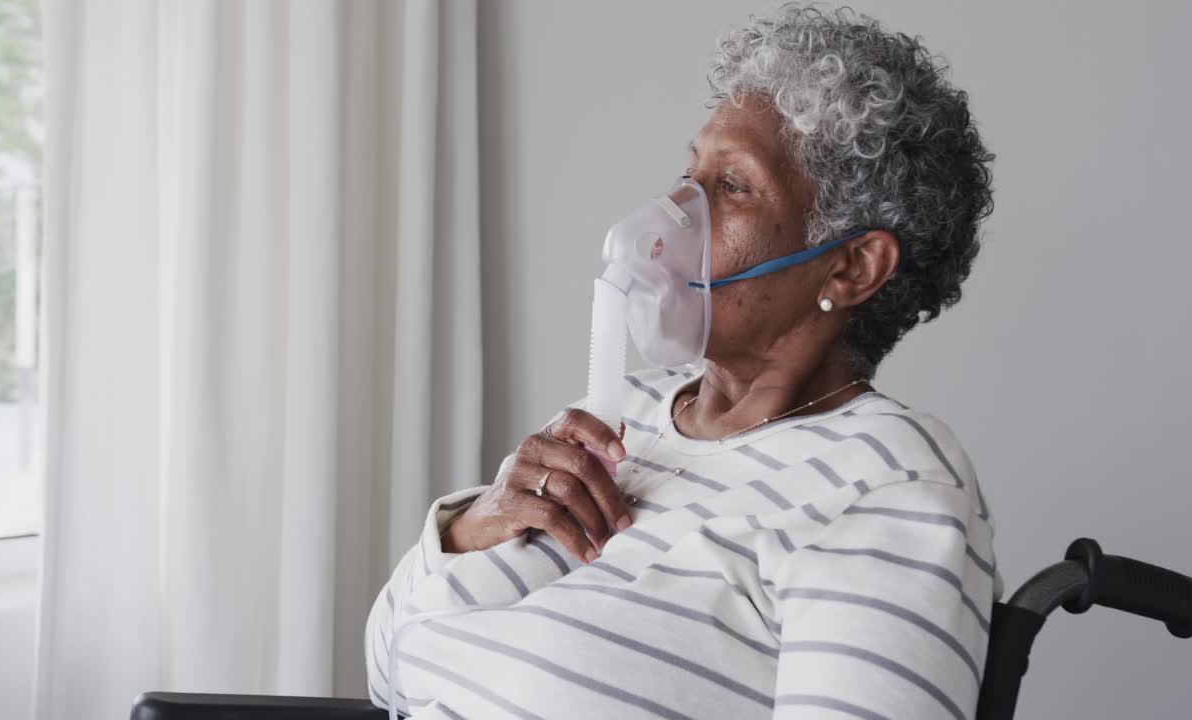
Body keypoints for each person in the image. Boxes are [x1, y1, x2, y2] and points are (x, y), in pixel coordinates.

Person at [366, 3, 999, 718]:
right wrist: (473, 527)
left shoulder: (887, 484)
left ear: (852, 267)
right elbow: (387, 673)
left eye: (733, 187)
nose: (668, 217)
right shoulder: (624, 417)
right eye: (688, 174)